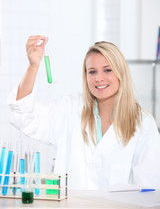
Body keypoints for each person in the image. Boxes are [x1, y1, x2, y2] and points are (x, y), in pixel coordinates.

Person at [8, 35, 160, 190]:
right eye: (92, 72)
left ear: (121, 73)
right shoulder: (71, 109)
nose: (99, 78)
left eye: (107, 70)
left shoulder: (143, 123)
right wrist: (33, 66)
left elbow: (149, 190)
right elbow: (23, 117)